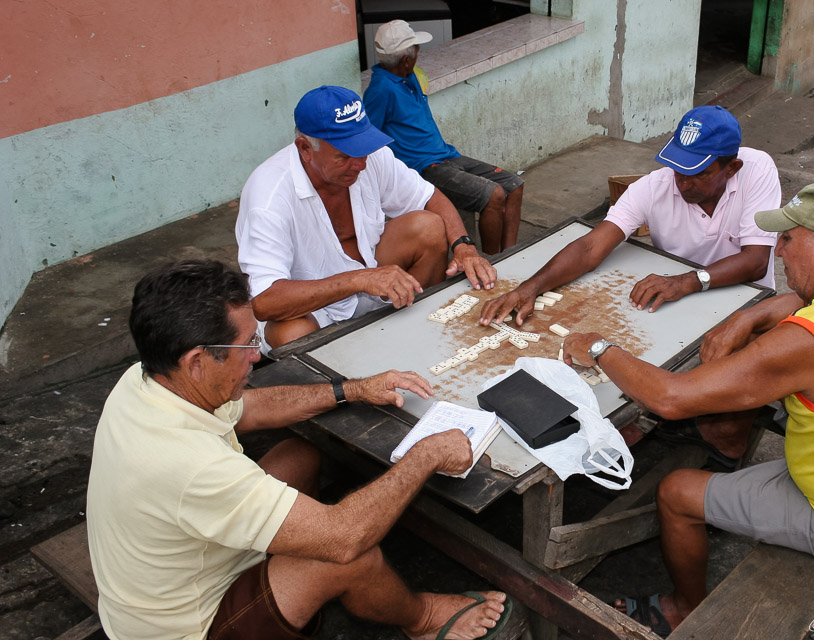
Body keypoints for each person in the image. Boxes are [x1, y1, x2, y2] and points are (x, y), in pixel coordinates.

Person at [561, 182, 814, 635]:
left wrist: (599, 346)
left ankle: (684, 607)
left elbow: (672, 398)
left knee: (676, 493)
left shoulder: (811, 340)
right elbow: (803, 301)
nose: (779, 251)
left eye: (788, 238)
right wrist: (746, 316)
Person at [86, 259, 512, 640]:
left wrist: (353, 389)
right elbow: (344, 540)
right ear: (197, 361)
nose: (256, 357)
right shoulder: (188, 464)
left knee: (299, 455)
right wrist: (426, 454)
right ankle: (421, 618)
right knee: (350, 558)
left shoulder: (149, 379)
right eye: (247, 345)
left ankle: (301, 564)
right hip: (189, 624)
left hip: (184, 570)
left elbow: (248, 408)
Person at [237, 85, 497, 353]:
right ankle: (342, 385)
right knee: (290, 333)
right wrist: (359, 279)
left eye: (362, 149)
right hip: (315, 307)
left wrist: (464, 247)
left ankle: (421, 335)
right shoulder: (268, 197)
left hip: (373, 276)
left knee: (428, 227)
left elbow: (430, 197)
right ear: (305, 149)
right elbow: (264, 301)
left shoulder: (369, 158)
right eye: (345, 155)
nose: (360, 164)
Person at [479, 104, 780, 326]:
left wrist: (684, 282)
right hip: (676, 306)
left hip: (747, 301)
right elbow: (589, 248)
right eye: (678, 167)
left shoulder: (757, 169)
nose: (683, 182)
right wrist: (529, 287)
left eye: (698, 173)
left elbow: (755, 262)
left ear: (731, 168)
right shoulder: (653, 186)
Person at [363, 19, 524, 254]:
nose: (419, 54)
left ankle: (511, 253)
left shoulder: (409, 77)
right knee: (494, 195)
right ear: (406, 60)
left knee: (513, 185)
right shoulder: (380, 90)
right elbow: (371, 138)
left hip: (447, 155)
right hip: (426, 166)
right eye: (416, 51)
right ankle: (492, 260)